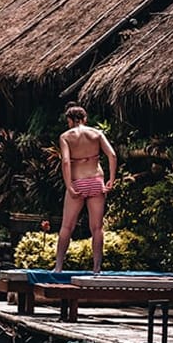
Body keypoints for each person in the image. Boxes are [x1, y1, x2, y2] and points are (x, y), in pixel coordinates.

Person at [53, 104, 116, 273]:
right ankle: (96, 268)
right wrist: (111, 178)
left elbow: (66, 162)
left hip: (78, 181)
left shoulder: (66, 136)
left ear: (69, 120)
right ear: (85, 119)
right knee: (97, 227)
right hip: (96, 180)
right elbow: (112, 155)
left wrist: (69, 186)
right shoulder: (97, 133)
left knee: (67, 226)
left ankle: (58, 267)